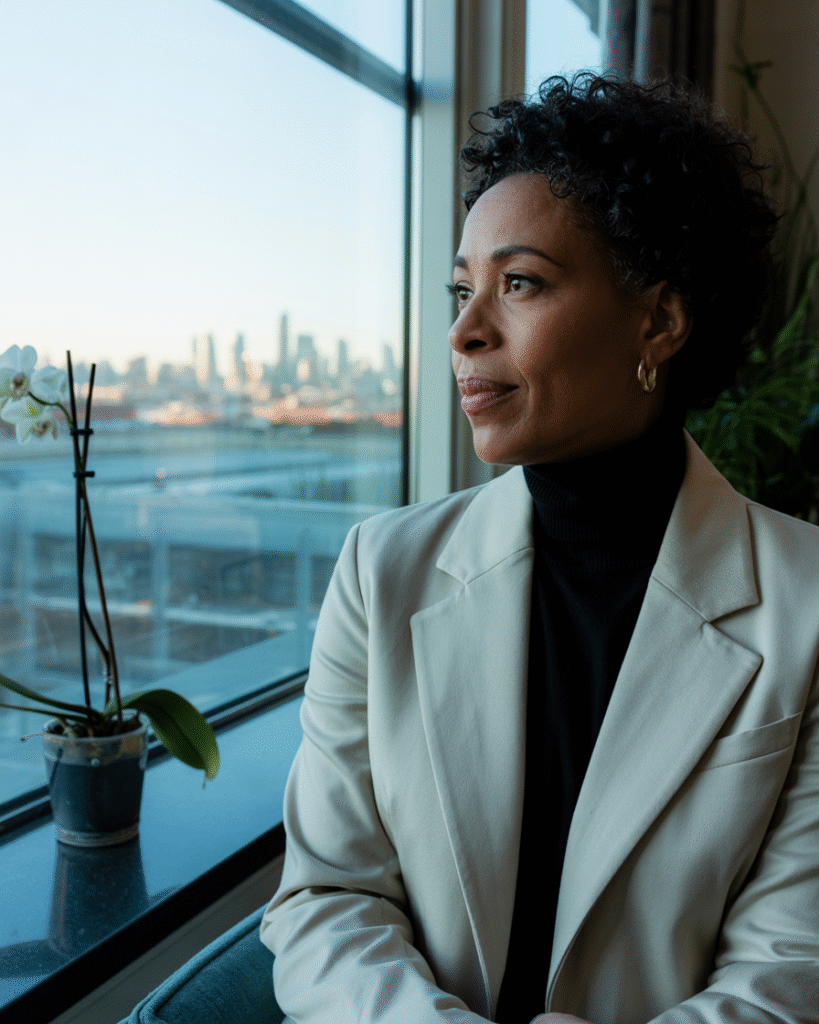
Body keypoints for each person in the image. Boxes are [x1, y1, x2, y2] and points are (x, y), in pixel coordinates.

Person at [260, 73, 819, 1023]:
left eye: (519, 284)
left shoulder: (807, 601)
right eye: (461, 288)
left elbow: (789, 969)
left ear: (659, 320)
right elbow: (326, 898)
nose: (465, 331)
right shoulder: (380, 571)